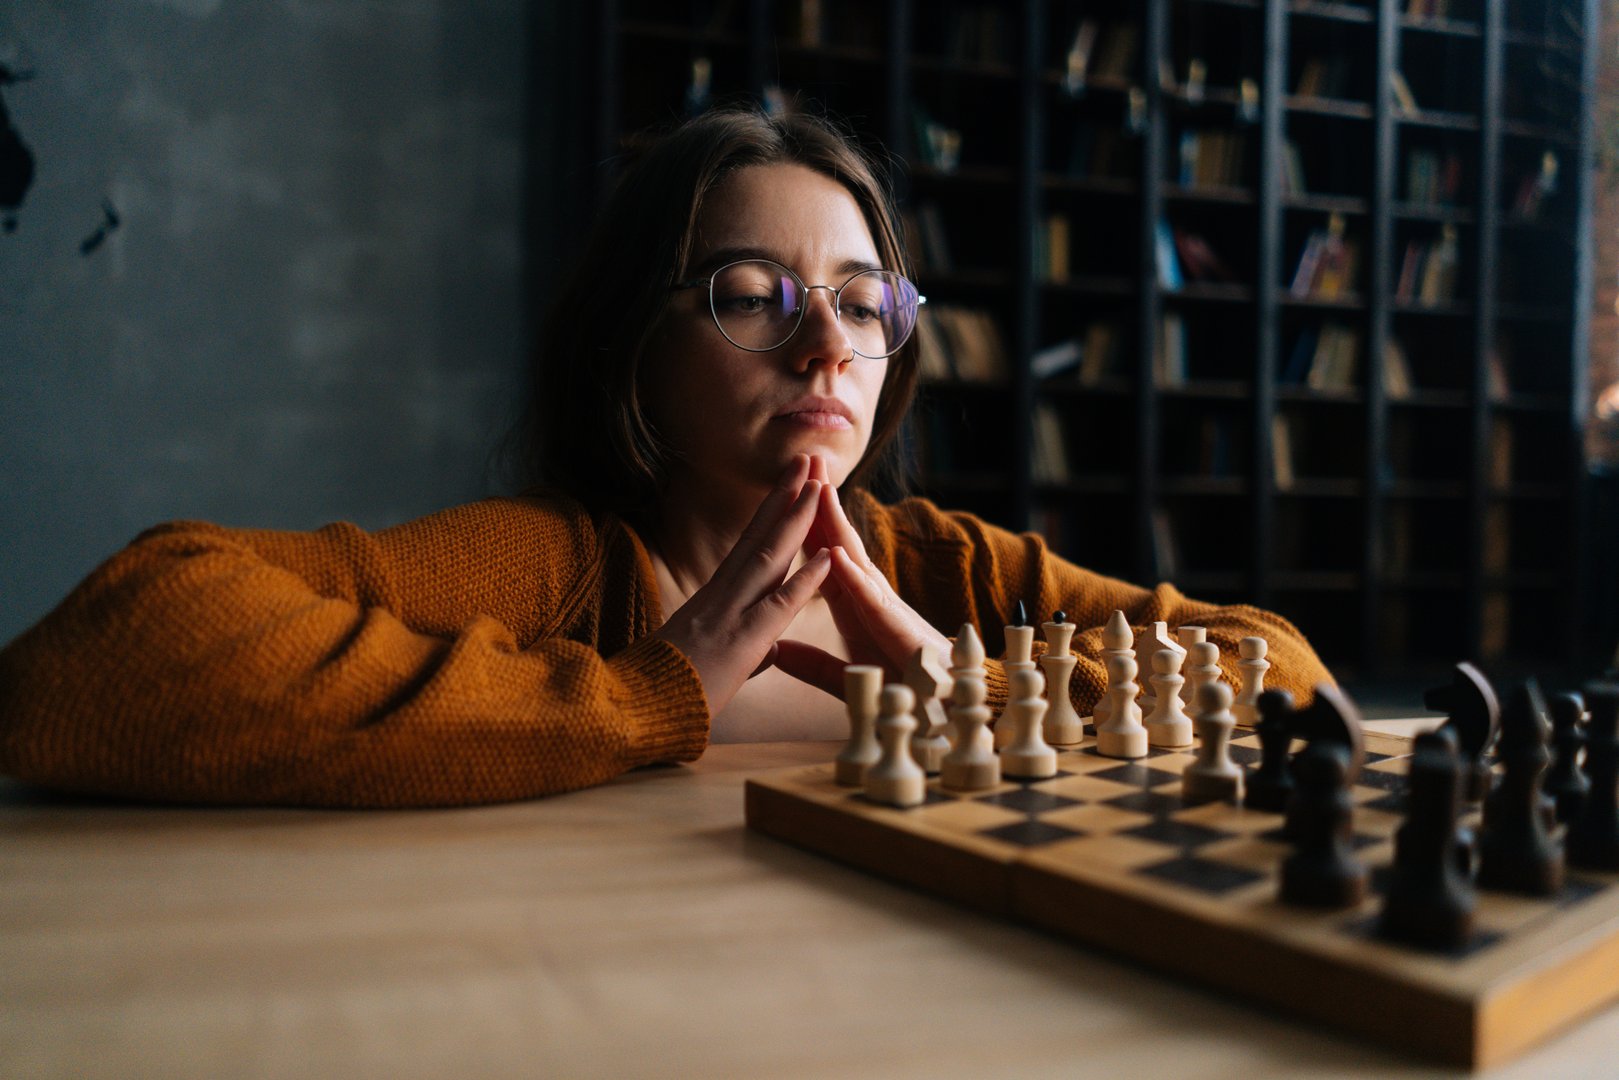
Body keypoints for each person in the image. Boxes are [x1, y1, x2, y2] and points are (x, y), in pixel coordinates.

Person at [0, 107, 1332, 808]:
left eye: (866, 304)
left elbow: (1286, 669)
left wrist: (965, 687)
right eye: (754, 293)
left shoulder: (944, 565)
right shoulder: (560, 568)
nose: (826, 349)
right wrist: (651, 691)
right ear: (637, 348)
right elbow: (99, 661)